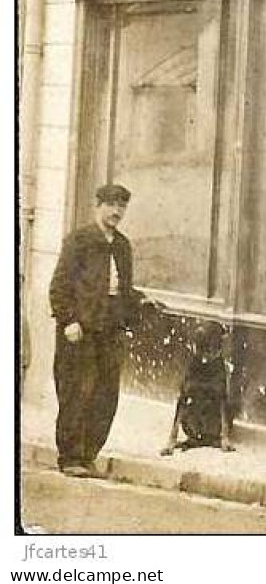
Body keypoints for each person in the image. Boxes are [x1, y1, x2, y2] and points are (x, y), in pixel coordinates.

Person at [48, 183, 141, 477]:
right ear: (97, 206)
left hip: (110, 331)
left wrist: (134, 313)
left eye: (122, 206)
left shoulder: (123, 246)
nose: (117, 212)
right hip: (80, 331)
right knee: (77, 392)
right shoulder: (79, 241)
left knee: (105, 396)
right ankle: (71, 458)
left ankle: (88, 455)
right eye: (111, 205)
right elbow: (60, 286)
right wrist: (68, 321)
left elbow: (123, 289)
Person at [160, 320, 234, 455]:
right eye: (203, 347)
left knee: (224, 402)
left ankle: (218, 437)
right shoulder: (193, 366)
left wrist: (225, 437)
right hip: (193, 418)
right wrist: (172, 439)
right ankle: (191, 436)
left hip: (213, 420)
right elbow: (182, 401)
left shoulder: (218, 367)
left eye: (214, 347)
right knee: (187, 401)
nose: (209, 352)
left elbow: (223, 402)